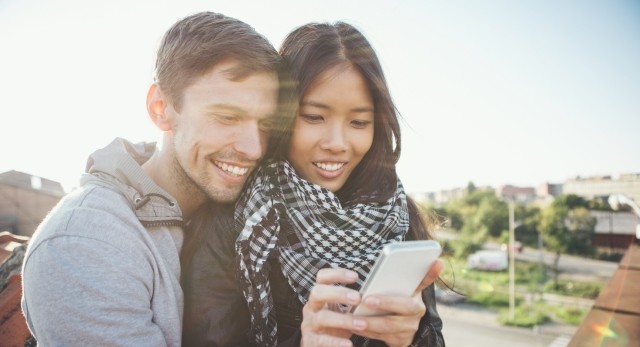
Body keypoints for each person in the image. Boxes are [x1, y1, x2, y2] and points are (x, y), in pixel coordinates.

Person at [21, 11, 287, 346]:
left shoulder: (252, 209)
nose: (254, 148)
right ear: (161, 108)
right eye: (227, 117)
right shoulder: (85, 244)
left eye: (265, 124)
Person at [183, 22, 445, 347]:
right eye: (313, 117)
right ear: (282, 115)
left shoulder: (396, 218)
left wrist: (412, 337)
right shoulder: (235, 224)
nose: (337, 143)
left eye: (359, 122)